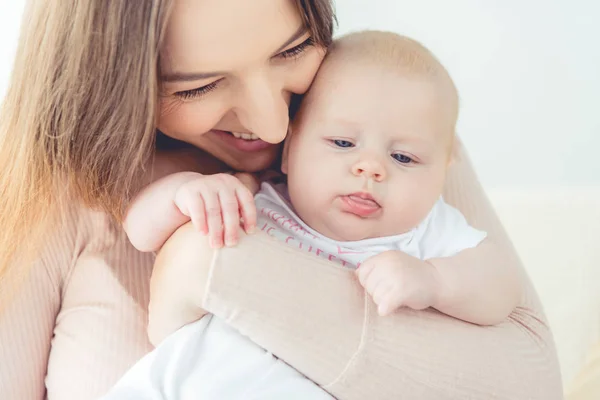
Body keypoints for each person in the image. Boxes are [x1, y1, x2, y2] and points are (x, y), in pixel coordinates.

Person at [0, 0, 562, 399]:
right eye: (196, 86)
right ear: (110, 81)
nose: (273, 125)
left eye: (292, 50)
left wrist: (218, 268)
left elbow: (532, 384)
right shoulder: (41, 189)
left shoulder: (389, 134)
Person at [100, 31, 523, 400]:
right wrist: (185, 192)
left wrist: (436, 281)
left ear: (445, 169)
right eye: (342, 143)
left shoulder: (429, 231)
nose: (370, 168)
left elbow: (501, 289)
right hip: (179, 382)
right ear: (289, 148)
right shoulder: (257, 197)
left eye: (403, 157)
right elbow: (140, 230)